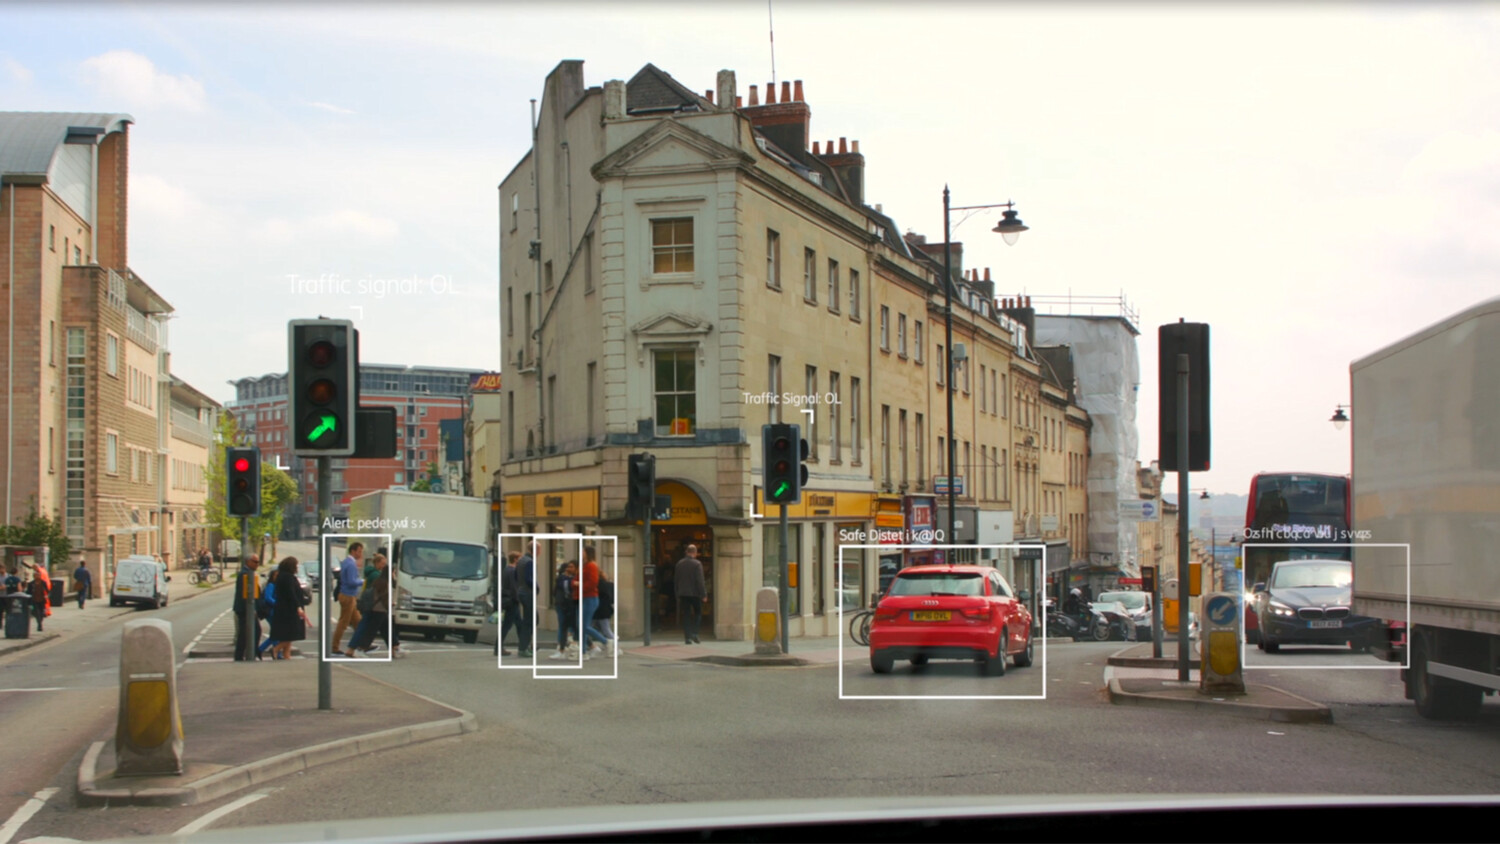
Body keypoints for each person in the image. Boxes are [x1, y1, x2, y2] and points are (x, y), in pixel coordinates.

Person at [345, 552, 391, 657]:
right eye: (382, 564)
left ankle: (394, 646)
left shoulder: (371, 573)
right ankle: (357, 648)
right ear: (377, 563)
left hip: (369, 603)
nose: (383, 566)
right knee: (366, 628)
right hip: (374, 605)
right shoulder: (376, 575)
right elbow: (379, 592)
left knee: (370, 626)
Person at [268, 557, 309, 661]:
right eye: (295, 565)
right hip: (289, 610)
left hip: (283, 609)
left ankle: (287, 655)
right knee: (292, 634)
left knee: (287, 634)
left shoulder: (282, 576)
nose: (297, 568)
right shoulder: (288, 577)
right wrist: (298, 607)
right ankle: (276, 649)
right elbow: (291, 593)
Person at [330, 542, 365, 653]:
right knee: (343, 623)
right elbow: (351, 581)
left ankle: (363, 643)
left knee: (358, 622)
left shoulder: (346, 562)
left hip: (347, 595)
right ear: (353, 551)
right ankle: (334, 647)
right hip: (348, 595)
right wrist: (362, 581)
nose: (360, 554)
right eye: (359, 551)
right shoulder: (351, 564)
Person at [579, 546, 613, 658]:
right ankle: (584, 650)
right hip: (588, 598)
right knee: (583, 625)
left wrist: (580, 586)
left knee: (584, 626)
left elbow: (593, 582)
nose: (582, 553)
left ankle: (606, 642)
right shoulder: (587, 565)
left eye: (583, 551)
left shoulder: (591, 565)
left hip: (590, 598)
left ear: (587, 553)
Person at [232, 555, 263, 661]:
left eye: (258, 562)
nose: (257, 564)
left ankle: (247, 654)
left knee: (251, 632)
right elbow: (245, 593)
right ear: (248, 561)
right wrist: (252, 609)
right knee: (247, 633)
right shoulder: (244, 574)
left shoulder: (248, 573)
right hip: (245, 610)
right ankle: (244, 655)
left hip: (247, 609)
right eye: (255, 562)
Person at [674, 544, 708, 644]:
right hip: (695, 593)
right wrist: (704, 594)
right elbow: (700, 581)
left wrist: (677, 593)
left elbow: (676, 580)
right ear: (695, 552)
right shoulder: (697, 564)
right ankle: (695, 633)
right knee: (698, 613)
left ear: (686, 552)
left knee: (686, 615)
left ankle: (687, 638)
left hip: (683, 593)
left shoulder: (679, 563)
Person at [548, 561, 579, 660]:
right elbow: (561, 587)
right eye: (568, 567)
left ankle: (588, 647)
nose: (568, 569)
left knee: (576, 627)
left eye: (571, 567)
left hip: (573, 605)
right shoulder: (562, 578)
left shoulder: (575, 578)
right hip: (562, 604)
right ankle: (561, 649)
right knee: (563, 626)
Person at [495, 551, 519, 657]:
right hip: (512, 601)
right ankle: (498, 647)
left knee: (520, 624)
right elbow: (514, 587)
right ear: (515, 559)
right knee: (507, 625)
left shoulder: (506, 570)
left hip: (508, 599)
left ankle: (527, 644)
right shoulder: (513, 571)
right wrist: (518, 598)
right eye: (519, 558)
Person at [515, 548, 535, 659]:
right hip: (527, 593)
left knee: (529, 620)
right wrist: (535, 587)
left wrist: (519, 587)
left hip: (522, 592)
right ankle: (524, 647)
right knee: (530, 621)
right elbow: (528, 579)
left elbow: (516, 576)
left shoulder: (521, 560)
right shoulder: (529, 561)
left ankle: (526, 646)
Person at [594, 565, 615, 645]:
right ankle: (609, 644)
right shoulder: (607, 584)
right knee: (602, 629)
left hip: (601, 610)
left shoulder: (600, 584)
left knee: (605, 630)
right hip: (602, 610)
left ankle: (613, 645)